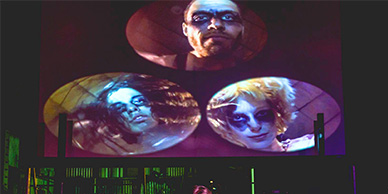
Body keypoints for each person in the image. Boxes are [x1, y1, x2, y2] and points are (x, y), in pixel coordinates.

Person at [69, 73, 201, 155]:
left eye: (139, 101)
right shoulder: (132, 152)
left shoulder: (189, 141)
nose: (132, 109)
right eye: (120, 109)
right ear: (115, 122)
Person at [207, 77, 315, 152]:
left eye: (262, 113)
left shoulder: (309, 145)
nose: (255, 126)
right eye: (238, 117)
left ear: (277, 113)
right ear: (226, 126)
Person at [148, 0, 244, 71]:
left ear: (242, 29)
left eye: (228, 17)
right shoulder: (157, 65)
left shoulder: (255, 68)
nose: (216, 25)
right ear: (185, 30)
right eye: (200, 18)